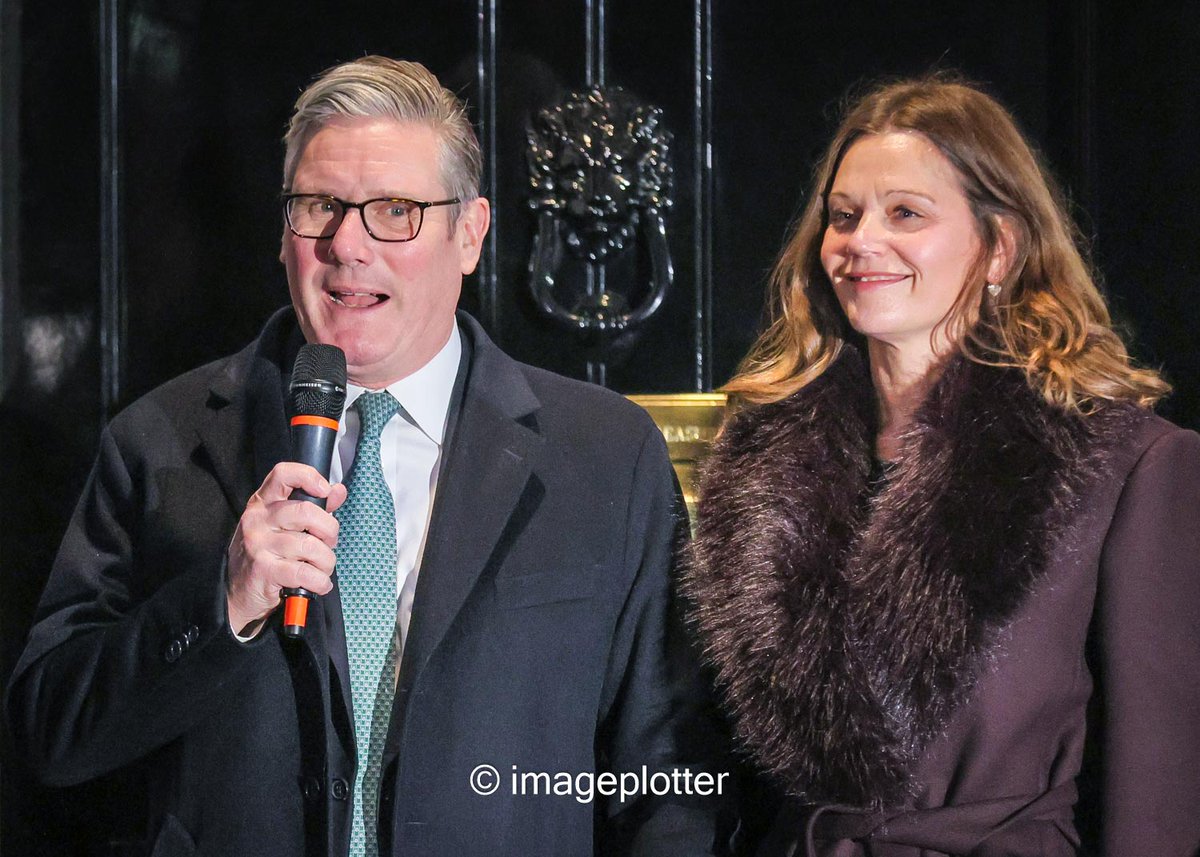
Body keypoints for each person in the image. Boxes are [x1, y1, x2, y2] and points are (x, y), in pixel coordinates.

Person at [6, 57, 726, 857]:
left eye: (394, 210)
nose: (347, 245)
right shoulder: (158, 441)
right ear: (286, 233)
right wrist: (222, 603)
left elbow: (670, 776)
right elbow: (52, 733)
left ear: (470, 234)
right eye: (320, 206)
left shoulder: (604, 455)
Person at [683, 74, 1200, 856]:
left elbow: (1155, 794)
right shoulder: (755, 453)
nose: (861, 241)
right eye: (844, 215)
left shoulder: (1130, 464)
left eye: (906, 214)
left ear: (1000, 247)